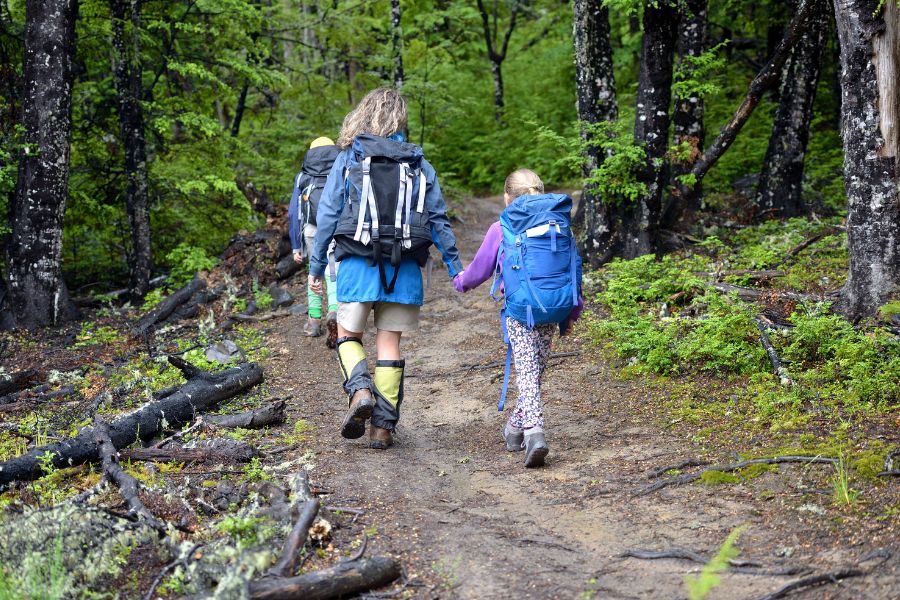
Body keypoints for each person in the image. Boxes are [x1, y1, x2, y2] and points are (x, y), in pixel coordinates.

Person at [308, 88, 463, 450]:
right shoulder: (419, 163)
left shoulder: (349, 159)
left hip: (357, 264)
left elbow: (328, 214)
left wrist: (316, 266)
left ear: (363, 116)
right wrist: (456, 267)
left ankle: (360, 391)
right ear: (400, 120)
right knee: (389, 344)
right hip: (404, 268)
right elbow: (438, 219)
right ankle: (383, 428)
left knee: (348, 336)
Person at [453, 169, 583, 467]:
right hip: (554, 306)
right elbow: (573, 266)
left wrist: (460, 282)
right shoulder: (558, 222)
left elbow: (479, 269)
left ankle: (534, 433)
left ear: (507, 197)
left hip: (520, 309)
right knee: (533, 372)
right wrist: (573, 311)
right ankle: (514, 429)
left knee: (527, 372)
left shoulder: (503, 225)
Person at [288, 136, 341, 342]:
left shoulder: (303, 176)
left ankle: (314, 322)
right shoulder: (341, 169)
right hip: (336, 229)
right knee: (333, 270)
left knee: (315, 271)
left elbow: (294, 212)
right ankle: (335, 312)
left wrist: (295, 245)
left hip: (311, 230)